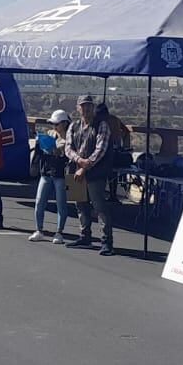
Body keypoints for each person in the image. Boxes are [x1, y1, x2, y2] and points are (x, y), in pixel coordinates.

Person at [66, 93, 115, 254]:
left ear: (93, 107)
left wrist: (85, 166)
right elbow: (68, 148)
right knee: (80, 205)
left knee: (99, 206)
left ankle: (106, 241)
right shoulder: (73, 126)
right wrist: (79, 160)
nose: (86, 108)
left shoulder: (101, 125)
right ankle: (85, 236)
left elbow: (101, 149)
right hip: (75, 171)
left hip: (95, 173)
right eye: (83, 106)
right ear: (78, 108)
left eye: (88, 105)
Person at [27, 109, 71, 243]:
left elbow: (71, 155)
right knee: (39, 201)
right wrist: (40, 144)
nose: (54, 126)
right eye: (53, 124)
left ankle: (59, 232)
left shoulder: (70, 138)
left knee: (61, 204)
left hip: (61, 174)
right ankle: (39, 230)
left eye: (56, 124)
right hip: (46, 172)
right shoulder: (50, 134)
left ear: (64, 123)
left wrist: (61, 151)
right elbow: (41, 152)